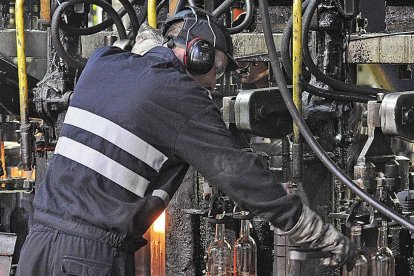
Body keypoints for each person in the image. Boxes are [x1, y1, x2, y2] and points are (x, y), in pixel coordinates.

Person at [17, 7, 354, 276]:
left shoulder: (102, 63)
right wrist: (310, 228)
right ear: (199, 54)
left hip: (39, 242)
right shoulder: (182, 97)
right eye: (217, 68)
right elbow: (238, 174)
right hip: (89, 258)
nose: (213, 81)